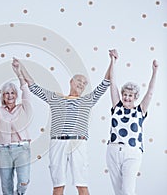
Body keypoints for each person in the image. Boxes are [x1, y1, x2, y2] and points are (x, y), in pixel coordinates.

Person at [15, 54, 114, 195]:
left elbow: (106, 82)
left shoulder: (88, 100)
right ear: (71, 82)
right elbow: (33, 86)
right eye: (79, 80)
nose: (82, 84)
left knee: (82, 184)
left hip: (78, 142)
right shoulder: (56, 98)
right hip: (57, 142)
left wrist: (112, 61)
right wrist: (21, 68)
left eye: (85, 83)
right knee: (58, 185)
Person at [106, 50, 158, 195]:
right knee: (118, 192)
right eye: (125, 95)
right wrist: (113, 61)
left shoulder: (140, 111)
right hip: (113, 150)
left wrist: (155, 71)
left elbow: (151, 92)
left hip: (132, 151)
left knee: (128, 191)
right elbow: (113, 83)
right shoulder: (117, 107)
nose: (127, 98)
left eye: (130, 96)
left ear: (135, 97)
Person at [0, 58, 33, 195]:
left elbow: (25, 90)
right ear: (3, 96)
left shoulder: (24, 108)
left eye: (12, 93)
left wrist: (19, 73)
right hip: (3, 151)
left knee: (24, 180)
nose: (10, 95)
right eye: (7, 93)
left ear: (16, 95)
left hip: (22, 148)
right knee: (6, 186)